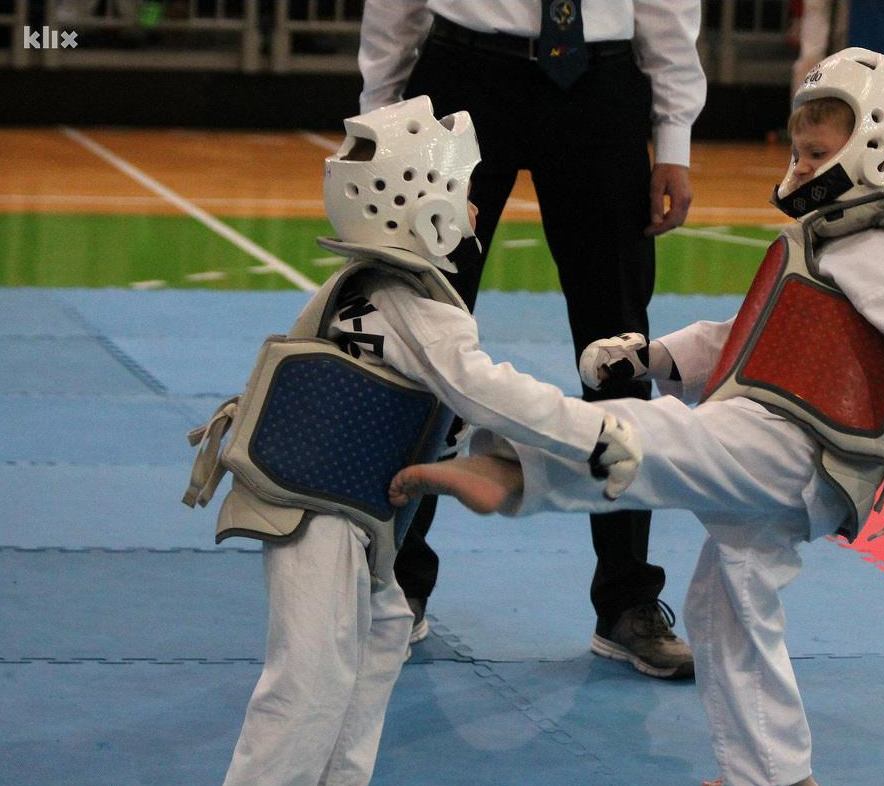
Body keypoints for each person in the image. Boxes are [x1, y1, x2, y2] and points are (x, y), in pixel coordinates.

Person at [388, 49, 884, 786]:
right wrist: (650, 358)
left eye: (817, 155)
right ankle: (772, 774)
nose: (800, 168)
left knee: (659, 438)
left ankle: (520, 469)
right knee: (726, 606)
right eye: (799, 153)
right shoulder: (832, 241)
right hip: (793, 452)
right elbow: (746, 337)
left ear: (883, 153)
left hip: (795, 446)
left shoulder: (881, 243)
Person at [181, 96, 642, 786]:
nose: (476, 207)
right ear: (425, 212)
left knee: (383, 629)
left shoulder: (364, 287)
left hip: (334, 509)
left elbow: (446, 412)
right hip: (321, 514)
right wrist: (591, 431)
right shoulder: (415, 308)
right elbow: (484, 391)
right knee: (307, 680)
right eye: (464, 191)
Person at [357, 0, 708, 679]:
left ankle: (628, 600)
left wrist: (673, 141)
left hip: (601, 83)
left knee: (620, 353)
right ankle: (395, 581)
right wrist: (379, 115)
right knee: (419, 339)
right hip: (463, 72)